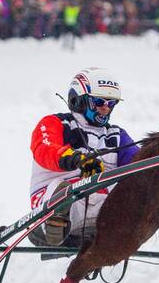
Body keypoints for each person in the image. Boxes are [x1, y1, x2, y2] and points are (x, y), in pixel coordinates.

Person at [28, 67, 139, 246]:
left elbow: (140, 162)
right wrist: (78, 159)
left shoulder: (117, 134)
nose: (105, 109)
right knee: (63, 191)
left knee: (133, 191)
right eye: (99, 102)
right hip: (55, 199)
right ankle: (53, 223)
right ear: (78, 99)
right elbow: (44, 148)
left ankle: (122, 232)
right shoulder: (56, 123)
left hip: (102, 209)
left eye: (111, 104)